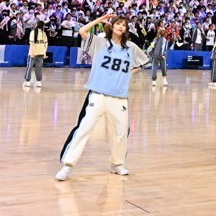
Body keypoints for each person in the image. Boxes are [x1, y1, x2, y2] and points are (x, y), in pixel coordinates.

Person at [55, 14, 150, 181]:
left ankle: (117, 164)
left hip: (119, 97)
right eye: (118, 24)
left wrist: (129, 73)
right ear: (112, 26)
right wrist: (101, 19)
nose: (121, 27)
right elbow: (82, 31)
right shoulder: (100, 43)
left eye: (124, 25)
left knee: (120, 133)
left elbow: (144, 63)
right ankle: (68, 165)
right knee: (84, 129)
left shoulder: (131, 48)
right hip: (97, 94)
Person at [24, 21, 48, 88]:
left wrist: (33, 52)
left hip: (33, 53)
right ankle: (38, 82)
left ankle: (28, 81)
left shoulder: (33, 32)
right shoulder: (44, 34)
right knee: (39, 67)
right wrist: (44, 53)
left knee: (29, 67)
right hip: (41, 53)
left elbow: (32, 43)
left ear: (36, 25)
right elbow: (45, 44)